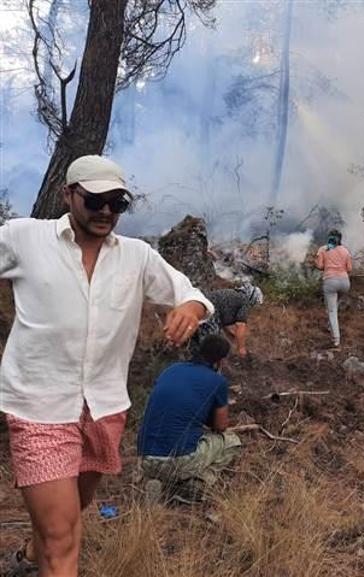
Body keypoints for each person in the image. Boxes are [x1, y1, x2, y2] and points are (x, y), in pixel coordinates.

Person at [0, 155, 214, 577]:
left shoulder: (136, 256)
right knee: (63, 539)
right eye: (95, 200)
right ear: (68, 195)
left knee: (71, 511)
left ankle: (29, 555)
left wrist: (190, 308)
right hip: (39, 406)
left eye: (117, 203)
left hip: (104, 407)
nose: (105, 212)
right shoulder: (25, 238)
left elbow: (191, 293)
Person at [137, 334, 241, 494]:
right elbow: (221, 426)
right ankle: (198, 483)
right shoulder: (218, 381)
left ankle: (158, 482)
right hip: (179, 461)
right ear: (220, 361)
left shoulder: (171, 370)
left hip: (145, 459)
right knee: (232, 442)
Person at [192, 282, 263, 359]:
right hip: (209, 316)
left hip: (199, 310)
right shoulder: (244, 301)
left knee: (197, 344)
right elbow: (240, 325)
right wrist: (241, 348)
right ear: (252, 298)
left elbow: (222, 315)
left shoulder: (233, 294)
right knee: (210, 348)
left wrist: (229, 333)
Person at [316, 229, 353, 348]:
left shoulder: (323, 249)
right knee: (334, 305)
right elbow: (350, 269)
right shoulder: (345, 250)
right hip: (345, 283)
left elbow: (320, 266)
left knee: (332, 311)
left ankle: (336, 339)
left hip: (330, 282)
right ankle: (329, 325)